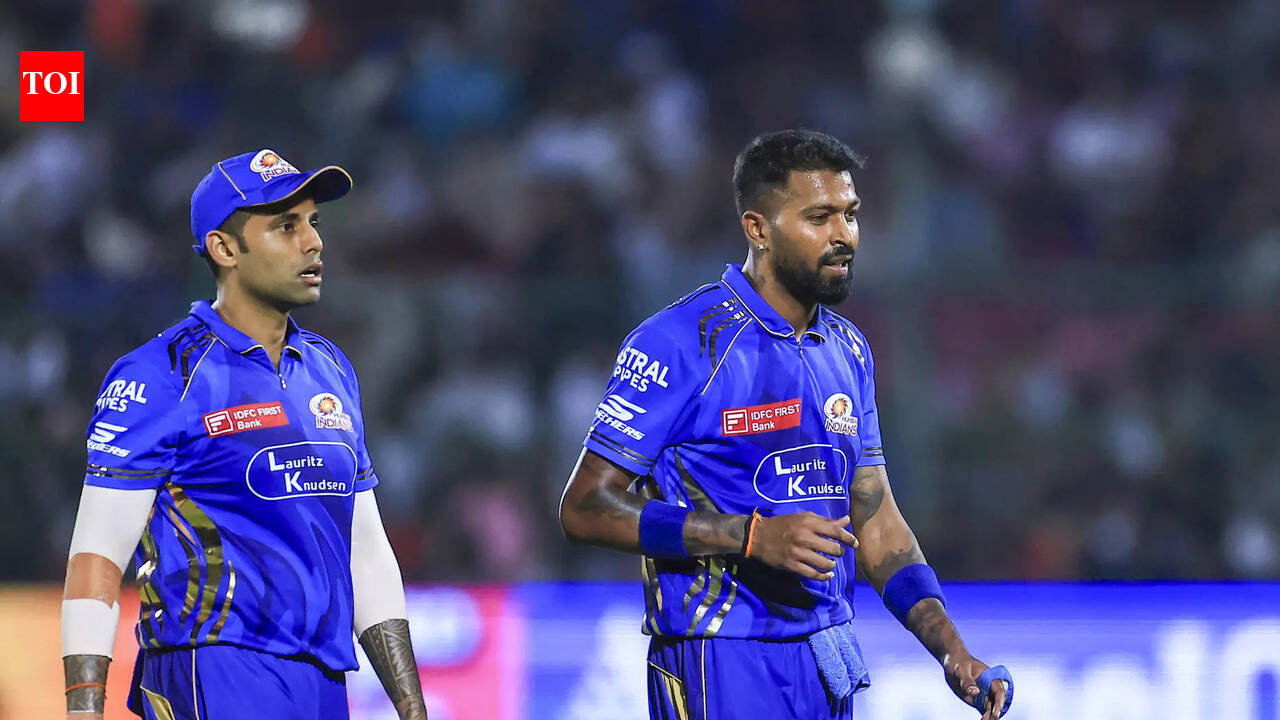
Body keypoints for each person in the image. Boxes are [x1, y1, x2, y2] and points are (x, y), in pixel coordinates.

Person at [560, 129, 1013, 720]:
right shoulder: (680, 342)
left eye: (851, 214)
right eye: (819, 217)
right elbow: (585, 507)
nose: (844, 235)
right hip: (720, 654)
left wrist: (951, 650)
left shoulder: (849, 349)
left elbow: (875, 517)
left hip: (826, 658)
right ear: (758, 228)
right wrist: (749, 536)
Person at [60, 149, 428, 720]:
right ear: (224, 249)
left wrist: (410, 705)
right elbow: (97, 557)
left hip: (324, 682)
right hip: (212, 669)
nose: (313, 242)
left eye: (313, 223)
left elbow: (365, 550)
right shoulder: (161, 375)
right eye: (286, 226)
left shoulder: (330, 368)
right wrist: (83, 711)